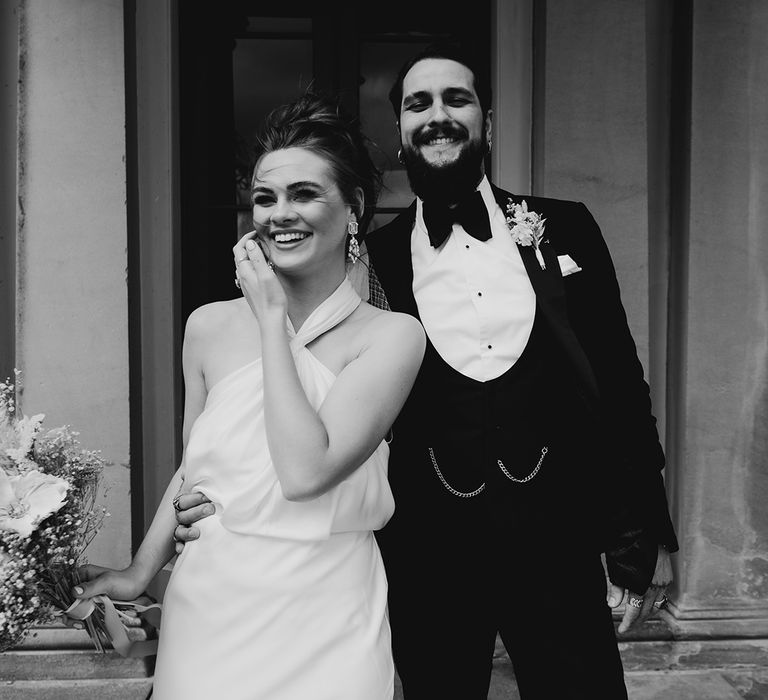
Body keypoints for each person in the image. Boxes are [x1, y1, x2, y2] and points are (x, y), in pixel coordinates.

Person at [175, 41, 679, 698]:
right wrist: (211, 492)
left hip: (556, 538)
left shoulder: (561, 229)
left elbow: (617, 381)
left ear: (487, 123)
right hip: (426, 551)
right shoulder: (369, 258)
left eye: (456, 98)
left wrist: (642, 535)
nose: (437, 115)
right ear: (402, 131)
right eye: (418, 103)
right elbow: (313, 382)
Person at [73, 93, 425, 700]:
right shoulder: (207, 327)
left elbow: (306, 471)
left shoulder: (393, 337)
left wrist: (271, 325)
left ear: (354, 208)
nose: (279, 214)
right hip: (213, 601)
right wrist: (141, 568)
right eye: (266, 197)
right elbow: (199, 468)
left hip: (327, 605)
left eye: (305, 194)